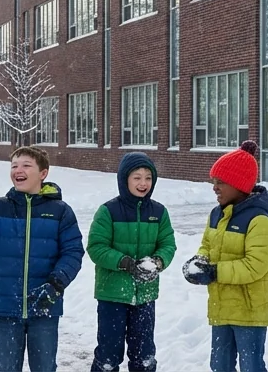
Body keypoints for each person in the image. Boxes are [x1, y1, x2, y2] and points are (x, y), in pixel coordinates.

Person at [0, 146, 84, 372]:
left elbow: (73, 251)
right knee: (6, 368)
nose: (18, 170)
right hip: (6, 305)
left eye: (26, 165)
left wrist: (55, 285)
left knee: (44, 368)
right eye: (14, 165)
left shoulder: (59, 211)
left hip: (44, 305)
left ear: (43, 173)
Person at [183, 140, 268, 372]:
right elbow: (207, 244)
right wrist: (200, 262)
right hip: (222, 306)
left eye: (220, 182)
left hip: (249, 310)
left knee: (251, 366)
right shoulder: (216, 214)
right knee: (220, 365)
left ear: (239, 185)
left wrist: (215, 272)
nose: (214, 188)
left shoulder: (259, 221)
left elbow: (255, 266)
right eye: (214, 182)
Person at [86, 152, 177, 372]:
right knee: (108, 355)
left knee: (144, 356)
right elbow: (96, 247)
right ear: (124, 179)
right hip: (112, 295)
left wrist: (157, 262)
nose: (143, 183)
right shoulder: (108, 211)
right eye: (137, 177)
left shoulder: (158, 212)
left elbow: (168, 244)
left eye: (148, 177)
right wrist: (125, 263)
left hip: (145, 295)